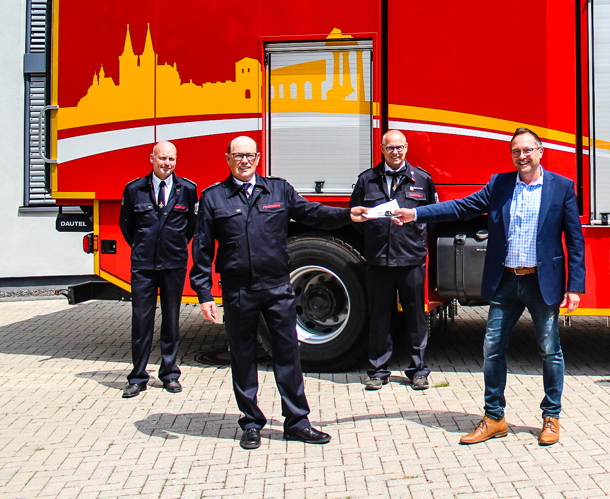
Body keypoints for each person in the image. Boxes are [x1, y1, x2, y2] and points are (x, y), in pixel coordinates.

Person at [390, 128, 585, 446]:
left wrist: (575, 286)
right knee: (492, 350)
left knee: (550, 352)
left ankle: (551, 417)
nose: (522, 156)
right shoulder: (500, 184)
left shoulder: (561, 187)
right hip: (506, 280)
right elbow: (459, 207)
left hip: (541, 281)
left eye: (527, 150)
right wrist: (416, 213)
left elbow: (575, 241)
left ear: (540, 151)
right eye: (516, 152)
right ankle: (494, 418)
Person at [190, 136, 367, 450]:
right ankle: (251, 424)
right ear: (227, 158)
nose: (245, 161)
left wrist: (346, 215)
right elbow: (202, 250)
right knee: (243, 359)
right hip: (238, 291)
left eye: (250, 155)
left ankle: (297, 423)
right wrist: (204, 293)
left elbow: (312, 213)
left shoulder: (278, 190)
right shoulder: (214, 198)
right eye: (238, 155)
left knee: (288, 357)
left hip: (277, 289)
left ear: (258, 157)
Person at [351, 130, 437, 391]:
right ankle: (378, 371)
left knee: (415, 316)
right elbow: (356, 218)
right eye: (390, 148)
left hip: (411, 259)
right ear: (382, 149)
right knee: (380, 316)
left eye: (400, 147)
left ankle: (418, 370)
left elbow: (431, 216)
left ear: (407, 148)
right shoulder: (367, 180)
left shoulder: (422, 179)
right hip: (379, 259)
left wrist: (414, 240)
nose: (396, 152)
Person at [119, 141, 197, 398]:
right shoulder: (134, 189)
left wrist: (171, 246)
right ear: (151, 158)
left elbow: (190, 227)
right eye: (162, 158)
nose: (167, 163)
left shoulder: (187, 189)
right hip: (143, 266)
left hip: (173, 264)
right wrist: (144, 246)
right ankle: (138, 377)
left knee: (171, 320)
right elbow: (127, 226)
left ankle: (170, 373)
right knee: (142, 321)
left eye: (172, 159)